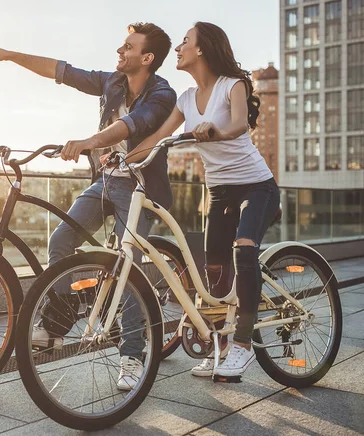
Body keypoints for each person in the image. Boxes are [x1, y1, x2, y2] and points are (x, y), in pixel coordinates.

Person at [0, 22, 176, 389]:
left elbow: (131, 126)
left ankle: (132, 353)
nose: (120, 50)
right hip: (105, 183)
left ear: (146, 58)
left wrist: (87, 141)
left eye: (128, 47)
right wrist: (10, 56)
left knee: (124, 266)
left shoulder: (162, 93)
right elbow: (61, 71)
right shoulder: (112, 82)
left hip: (141, 189)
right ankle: (58, 323)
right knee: (60, 240)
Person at [121, 22, 280, 380]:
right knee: (215, 274)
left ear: (202, 49)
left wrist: (215, 131)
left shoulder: (232, 86)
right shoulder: (185, 99)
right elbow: (160, 137)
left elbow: (240, 124)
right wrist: (120, 157)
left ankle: (242, 345)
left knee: (244, 250)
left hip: (256, 187)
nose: (178, 48)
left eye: (184, 42)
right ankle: (220, 349)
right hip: (219, 192)